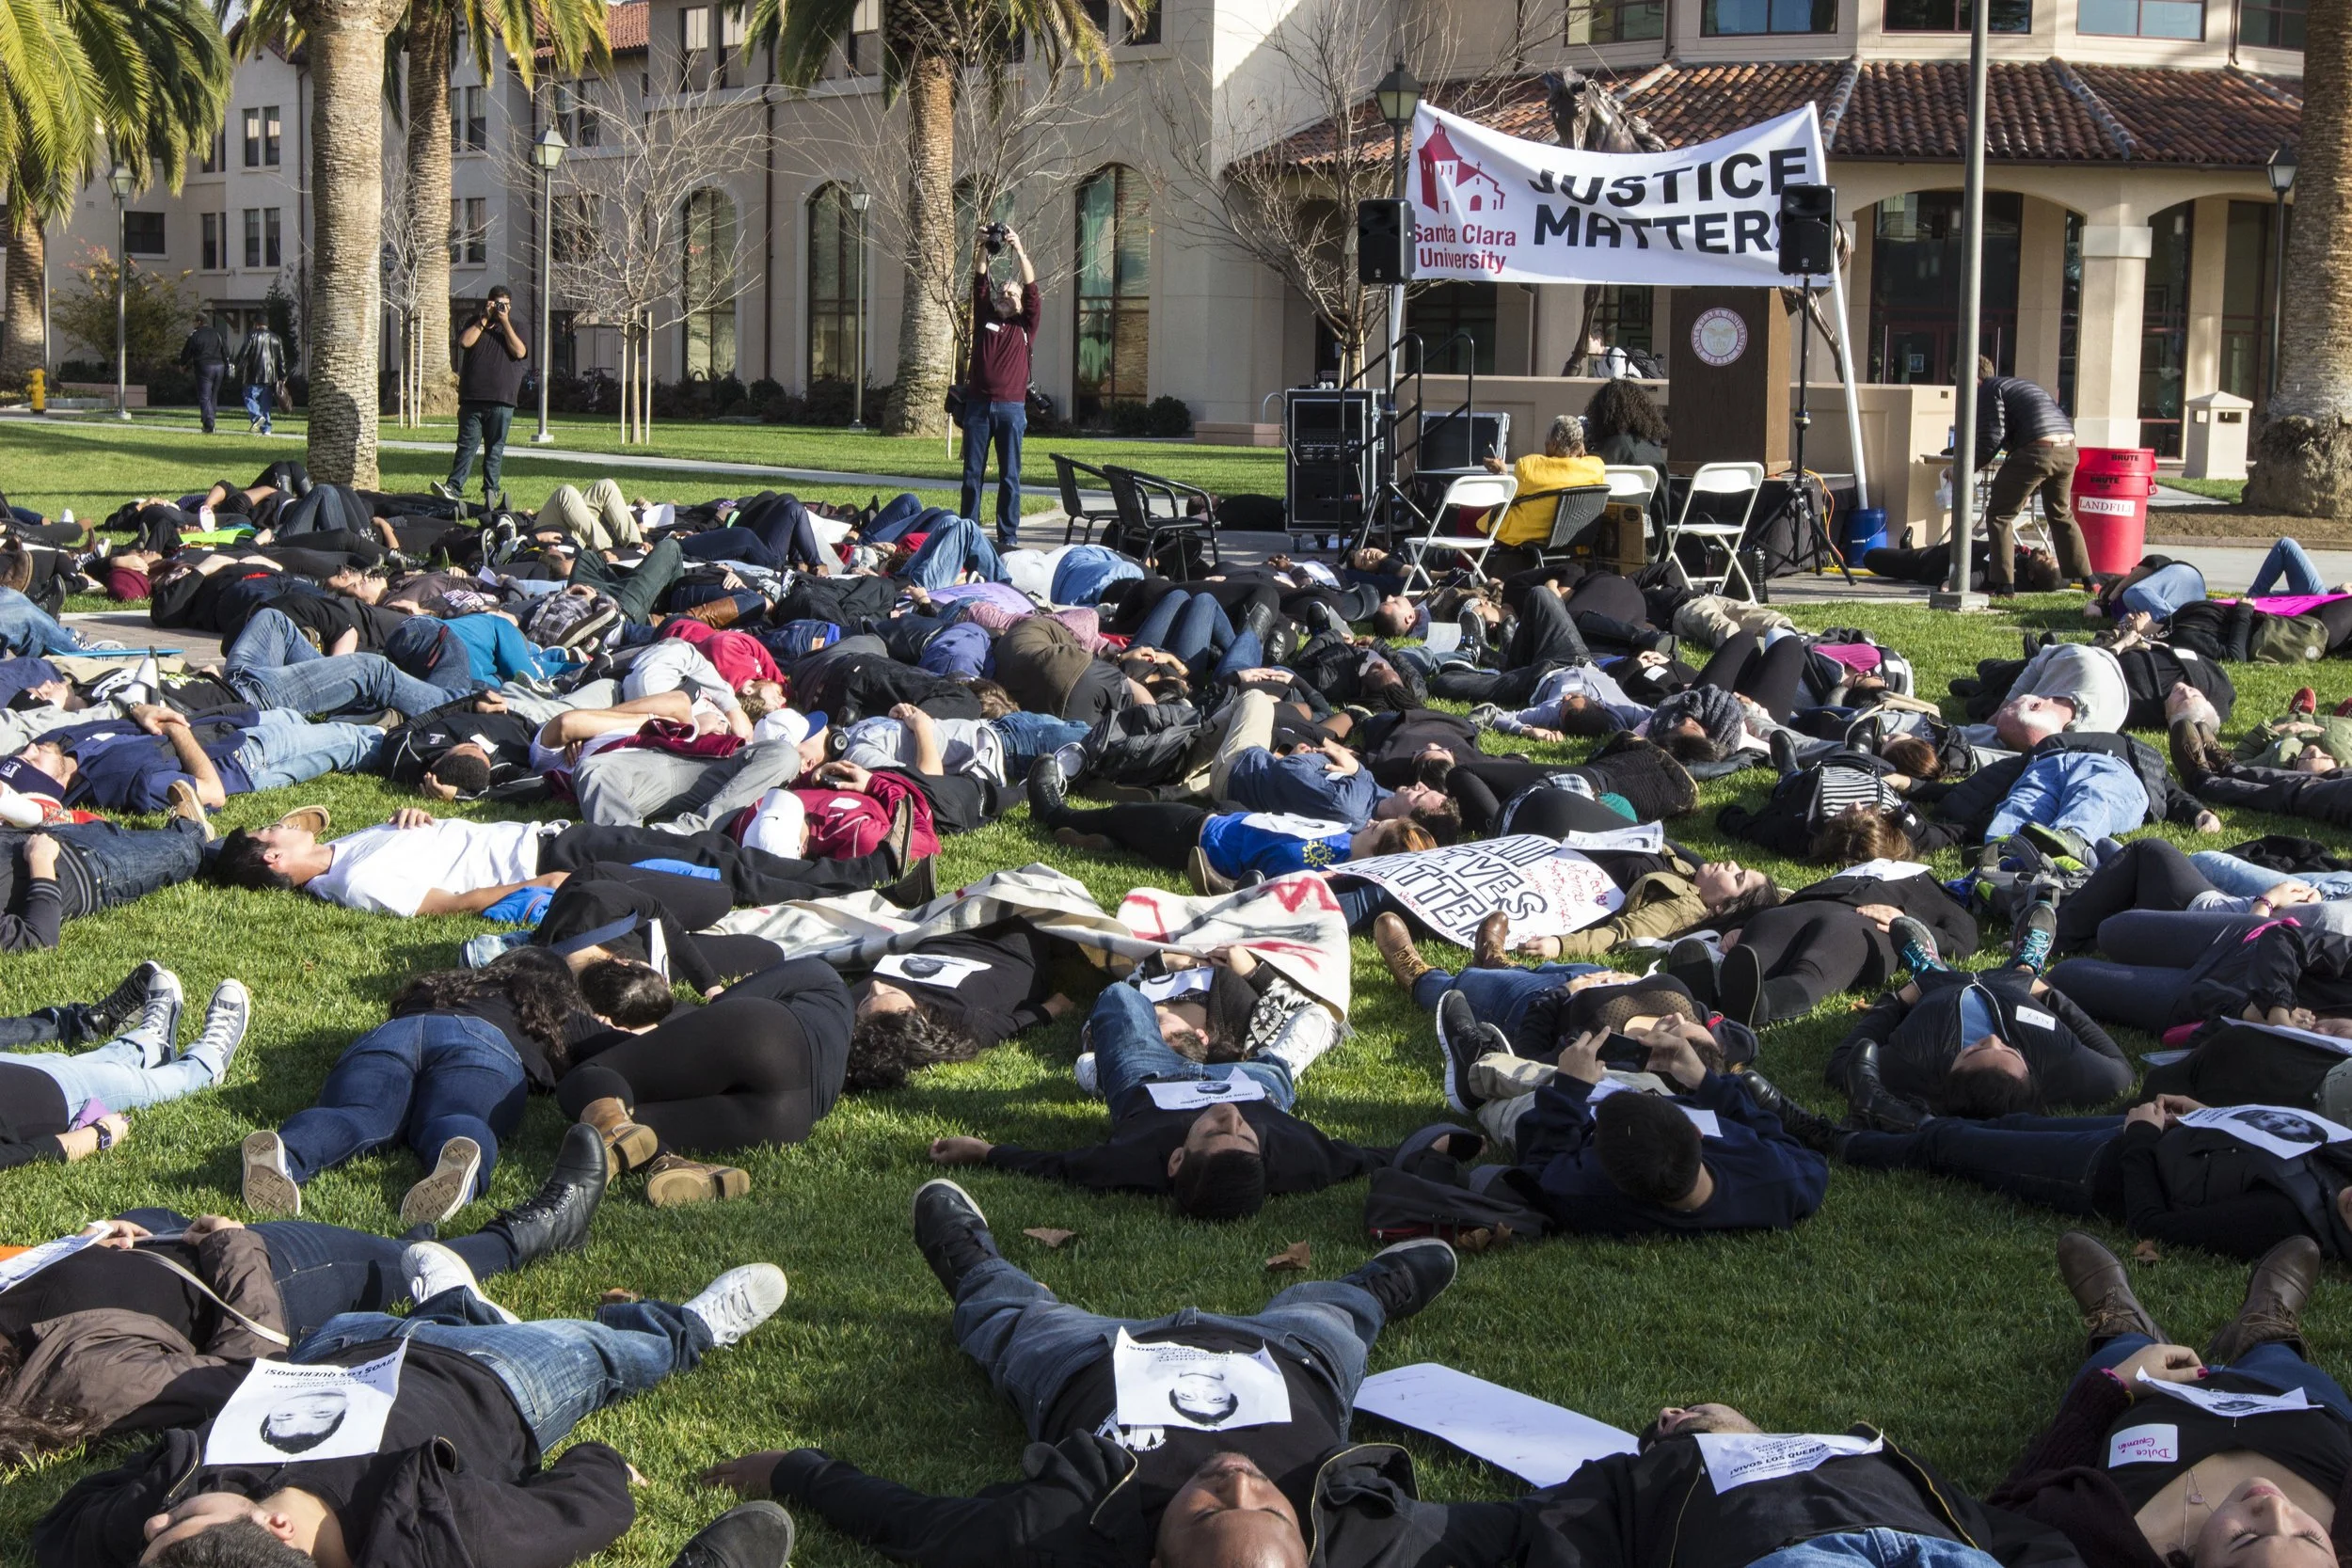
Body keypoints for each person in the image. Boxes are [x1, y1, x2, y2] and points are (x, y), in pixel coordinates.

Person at [697, 1181, 1506, 1567]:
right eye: (1270, 1506)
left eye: (1206, 1510)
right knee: (1336, 1316)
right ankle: (1371, 1289)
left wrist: (793, 1468)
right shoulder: (1376, 1535)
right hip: (1286, 1352)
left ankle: (975, 1265)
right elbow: (1527, 1535)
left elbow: (916, 1522)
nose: (1238, 1479)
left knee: (1012, 1318)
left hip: (1087, 1359)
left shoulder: (1052, 1534)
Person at [32, 1261, 791, 1568]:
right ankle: (690, 1327)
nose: (152, 1521)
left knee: (438, 1308)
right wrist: (601, 1462)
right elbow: (583, 1511)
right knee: (607, 1351)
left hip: (344, 1342)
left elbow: (62, 1528)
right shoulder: (430, 1536)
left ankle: (459, 1298)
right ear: (274, 1528)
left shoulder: (196, 1495)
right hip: (497, 1382)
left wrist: (164, 1515)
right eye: (172, 1525)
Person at [0, 1129, 606, 1464]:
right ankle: (532, 1234)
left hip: (162, 1240)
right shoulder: (84, 1380)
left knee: (395, 1254)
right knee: (402, 1263)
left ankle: (415, 1236)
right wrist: (234, 1247)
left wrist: (95, 1238)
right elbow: (249, 1371)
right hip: (269, 1279)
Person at [1991, 1230, 2350, 1568]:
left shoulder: (2104, 1546)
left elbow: (2006, 1514)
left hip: (2149, 1399)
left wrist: (2113, 1387)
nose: (2274, 1506)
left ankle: (2120, 1325)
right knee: (2278, 1360)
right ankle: (2267, 1329)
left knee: (2122, 1351)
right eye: (2309, 1537)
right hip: (2296, 1403)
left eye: (2245, 1538)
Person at [238, 949, 598, 1225]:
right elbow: (621, 1050)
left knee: (359, 1115)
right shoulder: (557, 1008)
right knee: (458, 1113)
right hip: (482, 1045)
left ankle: (289, 1151)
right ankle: (459, 1151)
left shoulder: (446, 985)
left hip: (396, 1035)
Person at [555, 957, 853, 1208]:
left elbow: (724, 1003)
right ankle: (669, 1164)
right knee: (627, 1118)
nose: (878, 985)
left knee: (590, 1076)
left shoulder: (823, 974)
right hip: (789, 1119)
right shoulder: (837, 1045)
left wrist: (650, 1035)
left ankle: (618, 1128)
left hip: (768, 1035)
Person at [0, 967, 246, 1172]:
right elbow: (26, 1154)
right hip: (55, 1098)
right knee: (139, 1085)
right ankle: (206, 1064)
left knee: (86, 1061)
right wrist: (99, 1135)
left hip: (20, 1068)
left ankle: (148, 1045)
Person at [1965, 355, 2094, 596]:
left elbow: (1991, 440)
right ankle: (2089, 579)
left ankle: (2004, 586)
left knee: (1999, 514)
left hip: (2038, 450)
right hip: (2068, 449)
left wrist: (1963, 469)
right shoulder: (2018, 385)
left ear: (1975, 379)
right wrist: (2027, 490)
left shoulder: (1987, 390)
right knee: (2060, 514)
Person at [960, 223, 1040, 548]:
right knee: (971, 475)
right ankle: (968, 532)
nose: (1006, 296)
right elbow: (979, 281)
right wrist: (982, 247)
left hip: (1011, 409)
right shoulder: (985, 318)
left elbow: (1031, 287)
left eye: (1012, 293)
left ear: (1021, 302)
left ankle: (1008, 537)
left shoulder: (1026, 325)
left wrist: (1019, 250)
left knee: (1010, 477)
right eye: (1002, 292)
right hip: (978, 407)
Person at [438, 285, 531, 508]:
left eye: (504, 305)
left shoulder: (517, 326)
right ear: (488, 302)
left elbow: (520, 352)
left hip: (502, 400)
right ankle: (453, 487)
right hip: (472, 399)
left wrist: (505, 321)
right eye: (496, 303)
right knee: (466, 446)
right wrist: (484, 319)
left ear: (510, 306)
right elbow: (464, 342)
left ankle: (491, 491)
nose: (500, 308)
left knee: (494, 449)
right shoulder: (474, 323)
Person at [1480, 415, 1609, 548]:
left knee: (1471, 516)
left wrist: (1502, 473)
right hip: (1573, 538)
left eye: (1547, 440)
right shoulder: (1596, 467)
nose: (1545, 444)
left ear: (1554, 444)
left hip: (1533, 534)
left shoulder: (1529, 466)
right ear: (1579, 445)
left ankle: (1467, 567)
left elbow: (1509, 496)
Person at [178, 320, 230, 435]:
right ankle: (210, 419)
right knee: (213, 395)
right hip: (219, 367)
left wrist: (182, 364)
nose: (193, 324)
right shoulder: (217, 333)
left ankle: (209, 424)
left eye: (194, 322)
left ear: (199, 322)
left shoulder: (195, 335)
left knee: (204, 396)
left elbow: (187, 352)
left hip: (204, 367)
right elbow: (226, 351)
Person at [235, 319, 287, 436]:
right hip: (271, 376)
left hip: (253, 374)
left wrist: (235, 368)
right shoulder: (276, 338)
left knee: (249, 397)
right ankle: (266, 428)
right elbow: (281, 359)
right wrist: (283, 375)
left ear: (256, 324)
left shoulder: (252, 336)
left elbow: (243, 354)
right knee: (266, 403)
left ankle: (256, 416)